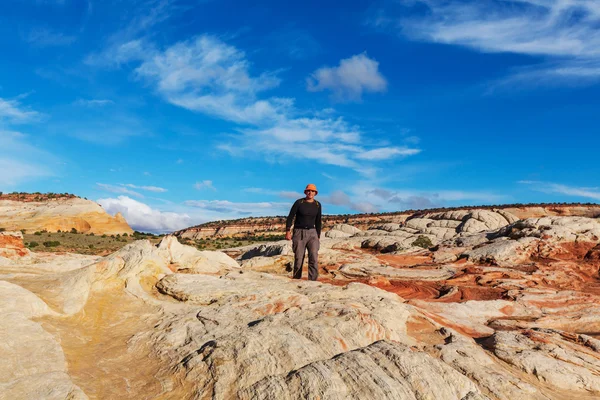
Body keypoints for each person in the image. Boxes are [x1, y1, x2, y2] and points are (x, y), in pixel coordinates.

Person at [285, 183, 322, 281]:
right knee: (298, 258)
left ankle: (313, 281)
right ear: (305, 192)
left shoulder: (317, 205)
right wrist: (288, 231)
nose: (310, 193)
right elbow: (290, 217)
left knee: (313, 257)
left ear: (315, 193)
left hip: (312, 233)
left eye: (312, 191)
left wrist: (318, 236)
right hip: (299, 232)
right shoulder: (299, 202)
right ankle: (297, 280)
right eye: (308, 191)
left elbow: (318, 221)